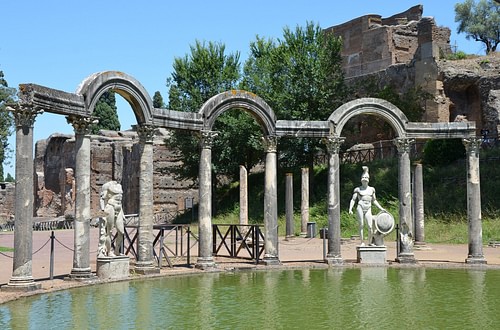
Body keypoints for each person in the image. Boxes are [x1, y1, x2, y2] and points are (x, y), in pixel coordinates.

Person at [348, 166, 385, 246]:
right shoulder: (358, 189)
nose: (364, 179)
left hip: (368, 207)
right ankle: (362, 242)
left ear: (368, 179)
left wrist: (381, 208)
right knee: (361, 224)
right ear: (361, 179)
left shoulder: (372, 189)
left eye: (366, 177)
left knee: (370, 226)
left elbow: (374, 200)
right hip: (360, 206)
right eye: (363, 177)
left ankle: (370, 242)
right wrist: (350, 208)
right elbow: (353, 200)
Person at [98, 181, 125, 257]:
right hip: (111, 207)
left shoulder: (119, 185)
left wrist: (122, 213)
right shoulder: (106, 186)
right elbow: (102, 198)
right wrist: (102, 210)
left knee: (121, 232)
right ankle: (109, 252)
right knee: (109, 231)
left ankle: (117, 251)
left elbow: (120, 200)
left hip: (119, 207)